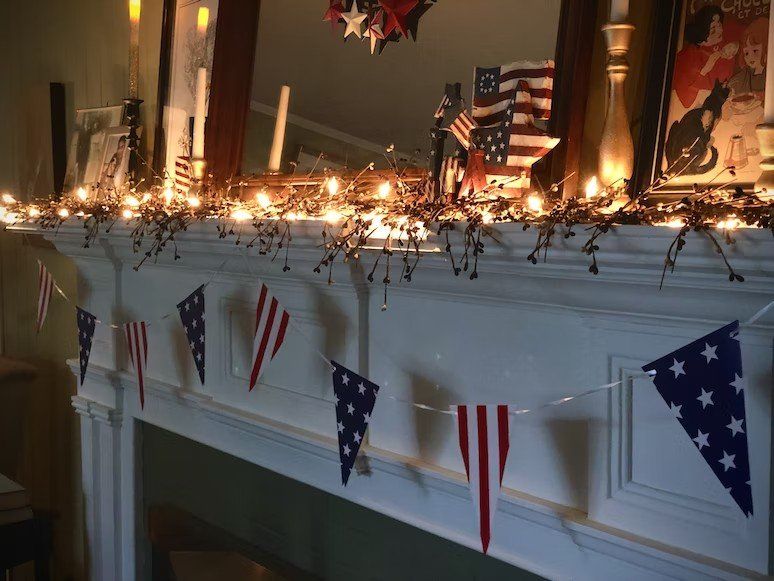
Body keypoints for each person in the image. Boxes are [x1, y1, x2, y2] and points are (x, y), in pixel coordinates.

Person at [672, 5, 741, 109]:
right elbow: (686, 101)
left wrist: (736, 46)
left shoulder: (727, 47)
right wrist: (704, 71)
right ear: (702, 32)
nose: (720, 30)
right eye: (713, 28)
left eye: (719, 24)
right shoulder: (686, 56)